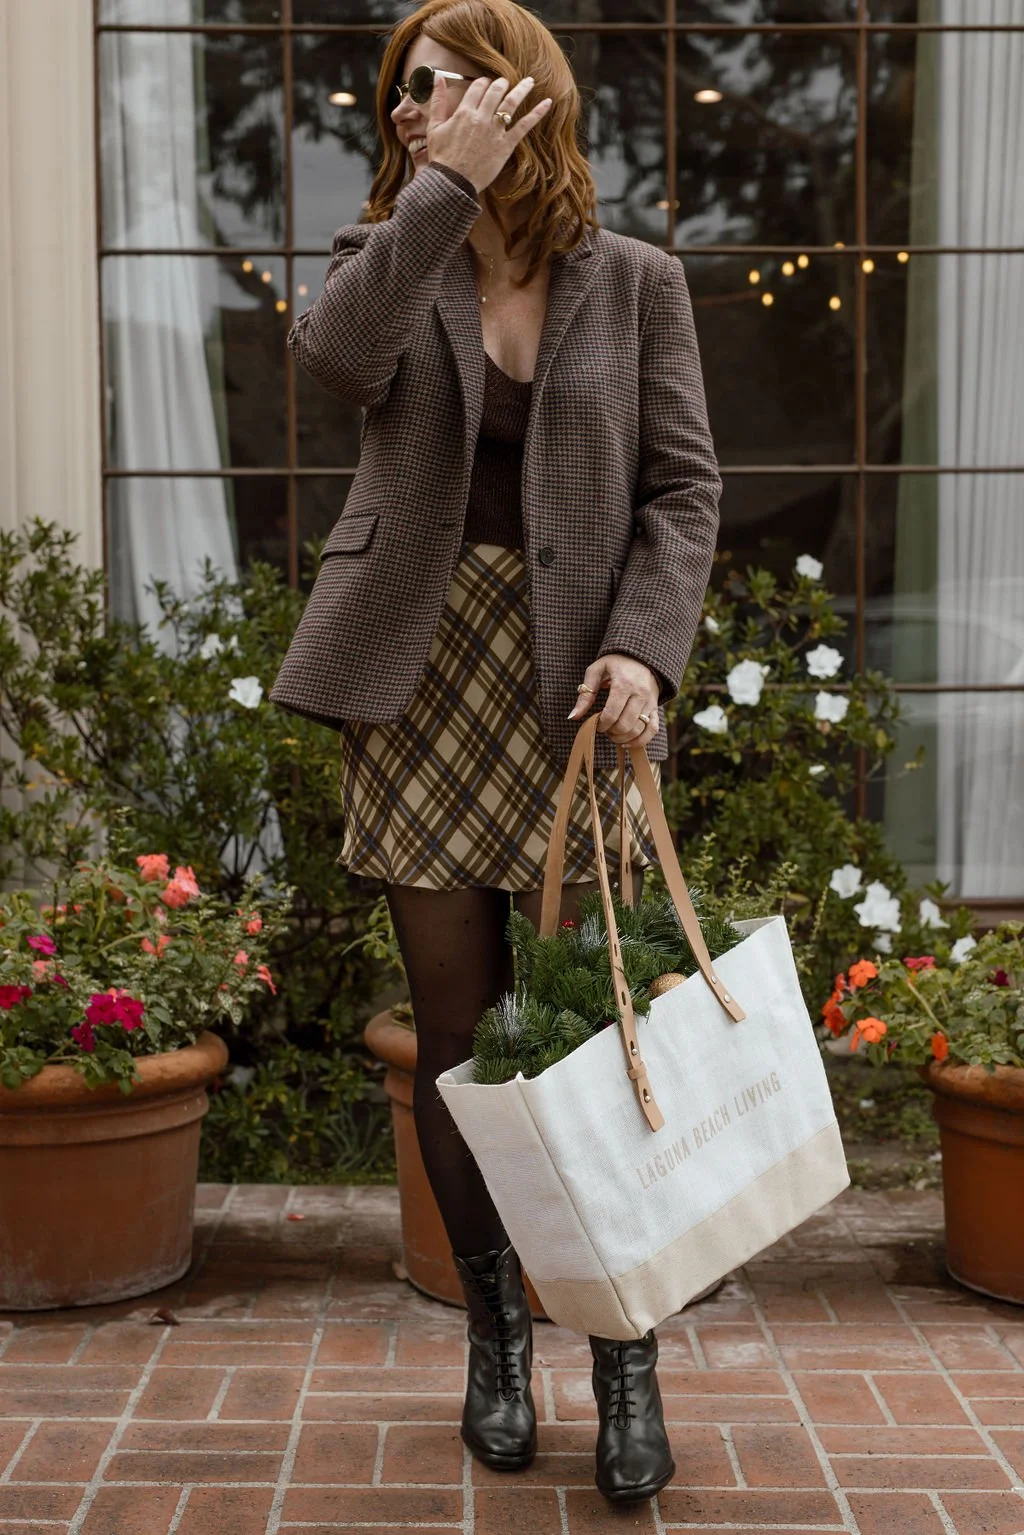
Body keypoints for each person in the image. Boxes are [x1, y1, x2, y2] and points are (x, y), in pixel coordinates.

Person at [270, 0, 721, 1505]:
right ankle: (497, 1340)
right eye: (404, 90)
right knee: (463, 1048)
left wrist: (647, 649)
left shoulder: (637, 282)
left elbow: (684, 489)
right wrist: (439, 194)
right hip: (423, 684)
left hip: (574, 692)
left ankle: (629, 1349)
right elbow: (336, 364)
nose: (414, 106)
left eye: (448, 85)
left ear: (527, 99)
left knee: (598, 1035)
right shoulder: (382, 262)